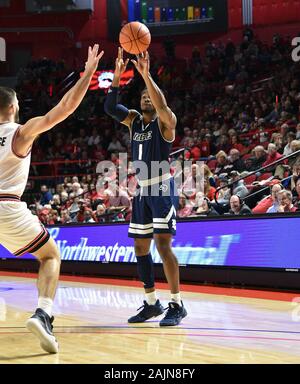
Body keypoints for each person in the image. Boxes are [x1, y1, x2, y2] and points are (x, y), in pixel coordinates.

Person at [0, 44, 104, 353]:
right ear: (13, 107)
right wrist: (87, 74)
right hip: (7, 205)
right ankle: (43, 313)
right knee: (50, 256)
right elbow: (64, 109)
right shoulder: (20, 131)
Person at [104, 48, 187, 326]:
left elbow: (163, 106)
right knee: (140, 247)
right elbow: (109, 108)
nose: (145, 98)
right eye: (141, 96)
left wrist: (146, 74)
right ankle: (152, 303)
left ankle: (177, 303)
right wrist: (116, 77)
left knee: (163, 246)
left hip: (162, 186)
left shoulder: (166, 123)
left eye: (148, 96)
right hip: (142, 190)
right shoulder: (134, 121)